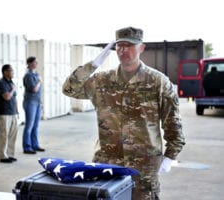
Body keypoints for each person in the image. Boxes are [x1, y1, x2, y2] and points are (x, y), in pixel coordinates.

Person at [62, 27, 185, 200]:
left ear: (141, 48)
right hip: (107, 165)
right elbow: (69, 89)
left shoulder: (158, 82)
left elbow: (172, 123)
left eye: (129, 45)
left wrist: (170, 156)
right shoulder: (101, 81)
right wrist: (93, 65)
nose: (123, 50)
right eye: (119, 46)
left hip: (143, 167)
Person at [0, 64, 19, 163]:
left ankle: (10, 154)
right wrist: (13, 89)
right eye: (11, 71)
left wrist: (17, 111)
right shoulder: (1, 83)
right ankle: (3, 156)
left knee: (13, 134)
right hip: (4, 113)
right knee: (4, 135)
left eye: (13, 71)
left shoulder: (11, 82)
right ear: (5, 72)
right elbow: (7, 97)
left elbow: (14, 98)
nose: (12, 73)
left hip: (13, 112)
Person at [22, 56, 45, 154]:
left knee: (35, 125)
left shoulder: (36, 74)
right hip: (30, 102)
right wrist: (39, 82)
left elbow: (39, 91)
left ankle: (34, 145)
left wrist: (41, 102)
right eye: (35, 62)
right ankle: (27, 147)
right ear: (29, 63)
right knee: (29, 125)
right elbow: (34, 89)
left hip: (37, 102)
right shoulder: (28, 76)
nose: (36, 64)